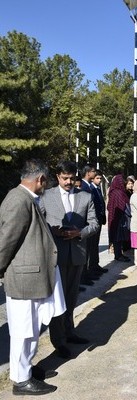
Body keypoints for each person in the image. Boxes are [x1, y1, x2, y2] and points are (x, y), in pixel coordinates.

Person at [0, 159, 66, 396]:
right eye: (46, 181)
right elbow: (6, 241)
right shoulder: (18, 200)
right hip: (23, 279)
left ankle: (26, 369)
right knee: (23, 331)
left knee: (32, 328)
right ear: (40, 179)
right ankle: (20, 381)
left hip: (32, 277)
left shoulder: (26, 198)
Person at [40, 160, 99, 359]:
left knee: (71, 297)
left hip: (78, 255)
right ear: (57, 177)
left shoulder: (86, 197)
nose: (68, 182)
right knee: (58, 300)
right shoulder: (46, 196)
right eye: (64, 178)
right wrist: (52, 231)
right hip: (55, 256)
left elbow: (94, 224)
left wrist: (80, 233)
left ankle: (69, 331)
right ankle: (58, 341)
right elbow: (38, 223)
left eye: (71, 178)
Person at [107, 174, 132, 262]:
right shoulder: (119, 193)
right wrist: (131, 213)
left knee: (117, 237)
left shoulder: (113, 192)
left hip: (115, 217)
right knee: (118, 237)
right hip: (119, 219)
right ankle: (118, 255)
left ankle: (119, 254)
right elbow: (124, 206)